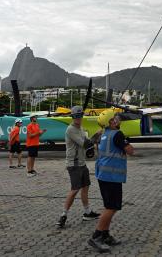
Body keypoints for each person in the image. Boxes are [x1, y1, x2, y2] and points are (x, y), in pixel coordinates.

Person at [88, 115, 135, 253]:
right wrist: (127, 143)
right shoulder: (117, 134)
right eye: (116, 118)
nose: (118, 120)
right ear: (111, 122)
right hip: (111, 176)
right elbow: (130, 151)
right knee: (111, 207)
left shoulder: (104, 133)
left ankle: (105, 235)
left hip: (104, 175)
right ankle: (96, 236)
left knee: (111, 206)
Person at [57, 106, 100, 228]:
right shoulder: (70, 129)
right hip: (74, 164)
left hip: (82, 163)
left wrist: (96, 137)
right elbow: (85, 143)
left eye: (80, 115)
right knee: (75, 189)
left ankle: (87, 213)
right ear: (72, 117)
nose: (78, 118)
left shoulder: (80, 128)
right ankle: (63, 215)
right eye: (76, 116)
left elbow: (87, 141)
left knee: (86, 187)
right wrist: (96, 135)